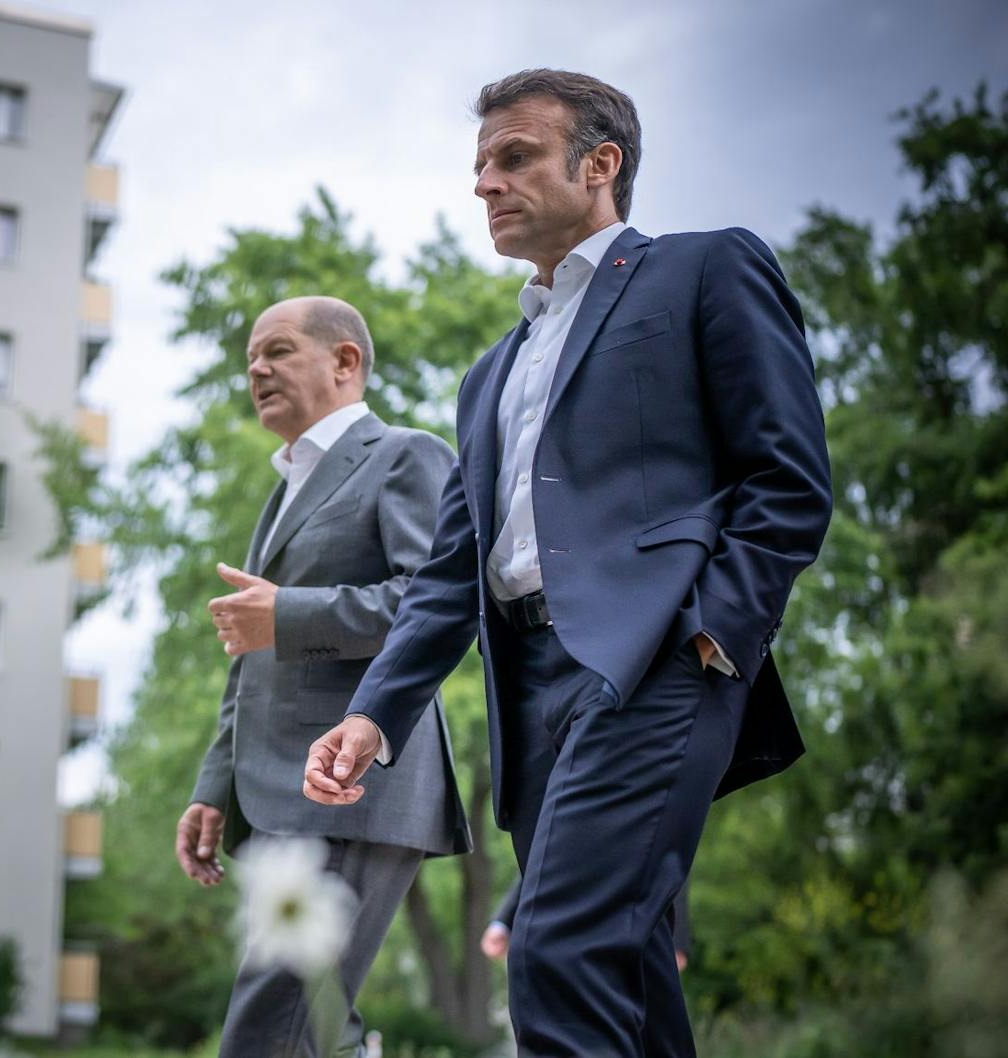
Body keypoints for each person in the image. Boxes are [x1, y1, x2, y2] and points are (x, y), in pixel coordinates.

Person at [301, 68, 831, 1058]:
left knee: (555, 949)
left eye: (514, 157)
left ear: (599, 165)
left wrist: (712, 636)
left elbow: (787, 477)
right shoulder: (487, 376)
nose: (484, 183)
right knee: (627, 973)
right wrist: (372, 715)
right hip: (530, 693)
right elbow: (450, 573)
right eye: (479, 165)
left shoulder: (703, 270)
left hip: (652, 661)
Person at [179, 295, 471, 1057]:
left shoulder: (407, 454)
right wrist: (215, 786)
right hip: (275, 794)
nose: (256, 370)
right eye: (250, 358)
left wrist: (290, 614)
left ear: (345, 361)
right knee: (318, 1031)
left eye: (277, 350)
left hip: (349, 788)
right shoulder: (284, 491)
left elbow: (433, 600)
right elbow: (251, 650)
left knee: (269, 1034)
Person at [484, 879, 691, 973]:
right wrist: (503, 921)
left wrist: (676, 940)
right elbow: (540, 854)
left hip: (630, 933)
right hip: (562, 936)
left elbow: (671, 858)